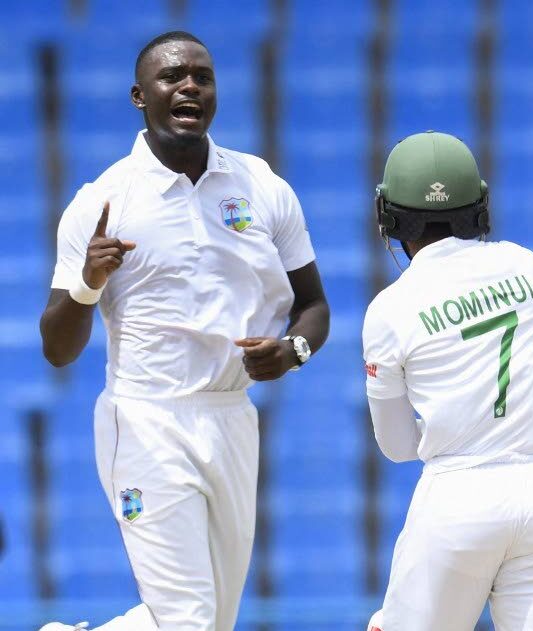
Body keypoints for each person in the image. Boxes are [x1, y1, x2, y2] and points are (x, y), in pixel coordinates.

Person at [39, 31, 329, 631]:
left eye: (203, 75)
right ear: (139, 96)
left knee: (213, 622)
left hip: (230, 416)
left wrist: (292, 351)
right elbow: (56, 348)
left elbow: (314, 307)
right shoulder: (105, 201)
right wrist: (89, 282)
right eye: (172, 77)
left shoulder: (262, 187)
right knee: (190, 621)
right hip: (146, 419)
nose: (190, 85)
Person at [363, 131, 533, 630]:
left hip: (457, 496)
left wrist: (450, 434)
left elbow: (397, 446)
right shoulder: (527, 267)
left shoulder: (389, 310)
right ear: (479, 206)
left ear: (389, 216)